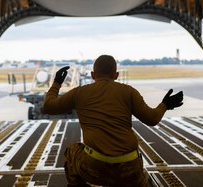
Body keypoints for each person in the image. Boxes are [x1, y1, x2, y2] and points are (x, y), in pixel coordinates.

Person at [42, 55, 183, 187]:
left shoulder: (79, 93)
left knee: (71, 151)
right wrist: (165, 105)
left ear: (92, 75)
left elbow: (48, 107)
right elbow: (152, 119)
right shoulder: (129, 92)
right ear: (116, 75)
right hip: (129, 167)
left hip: (94, 167)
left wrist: (56, 83)